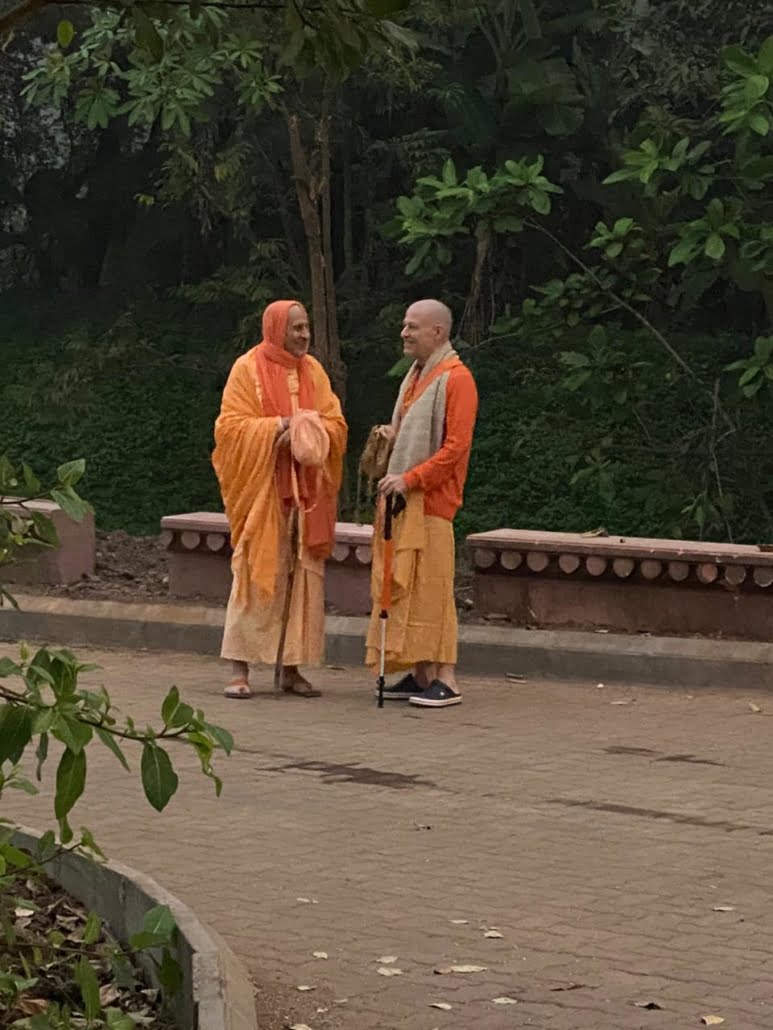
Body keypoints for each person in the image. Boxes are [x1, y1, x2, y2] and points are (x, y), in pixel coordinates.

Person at [212, 300, 347, 699]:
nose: (304, 335)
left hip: (307, 495)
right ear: (276, 330)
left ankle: (291, 667)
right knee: (255, 576)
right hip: (263, 492)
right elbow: (230, 429)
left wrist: (307, 430)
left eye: (307, 328)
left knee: (302, 579)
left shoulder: (315, 371)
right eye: (297, 329)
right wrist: (279, 428)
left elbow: (336, 423)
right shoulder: (246, 369)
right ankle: (239, 668)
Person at [366, 299, 478, 708]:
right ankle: (419, 673)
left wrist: (410, 478)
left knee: (433, 591)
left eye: (412, 326)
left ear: (437, 332)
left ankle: (446, 677)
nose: (404, 333)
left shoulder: (457, 379)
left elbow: (455, 449)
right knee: (407, 591)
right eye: (403, 325)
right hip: (404, 502)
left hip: (433, 503)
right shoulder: (415, 376)